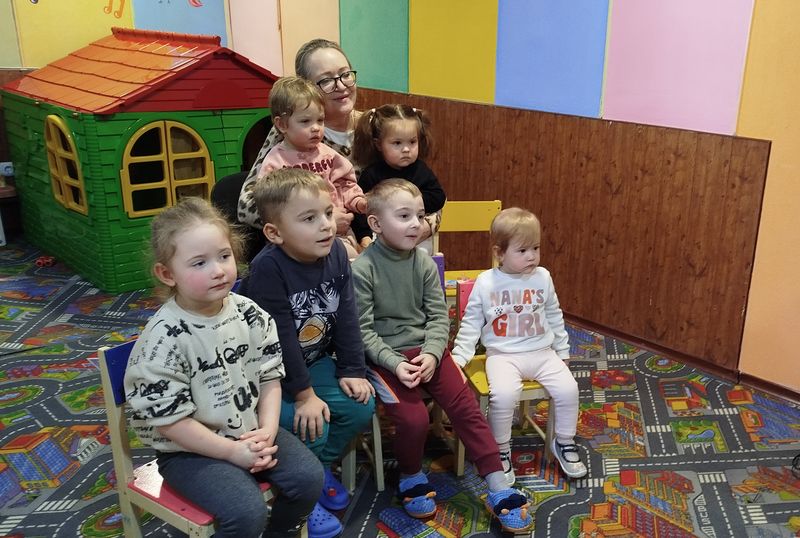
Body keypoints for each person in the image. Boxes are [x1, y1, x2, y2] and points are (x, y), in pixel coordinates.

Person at [123, 197, 329, 538]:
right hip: (188, 451)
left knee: (309, 479)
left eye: (224, 256)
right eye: (199, 263)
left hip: (250, 430)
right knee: (246, 512)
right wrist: (232, 452)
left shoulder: (250, 313)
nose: (218, 270)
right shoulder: (163, 340)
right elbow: (171, 423)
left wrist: (267, 430)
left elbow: (269, 377)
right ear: (167, 274)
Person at [350, 179, 533, 533]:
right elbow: (363, 332)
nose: (416, 224)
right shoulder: (363, 270)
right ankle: (410, 475)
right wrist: (394, 363)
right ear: (375, 223)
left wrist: (434, 354)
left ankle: (498, 484)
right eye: (404, 216)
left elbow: (438, 317)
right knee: (414, 419)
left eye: (420, 216)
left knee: (465, 407)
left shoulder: (422, 262)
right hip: (385, 359)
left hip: (428, 352)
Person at [239, 168, 376, 532]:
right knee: (310, 421)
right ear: (275, 233)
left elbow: (347, 314)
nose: (326, 225)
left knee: (361, 405)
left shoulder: (336, 253)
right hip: (270, 375)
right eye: (309, 218)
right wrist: (304, 396)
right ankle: (306, 493)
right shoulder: (268, 269)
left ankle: (319, 469)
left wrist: (352, 368)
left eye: (328, 213)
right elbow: (280, 340)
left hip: (313, 360)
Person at [451, 207, 588, 481]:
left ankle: (563, 441)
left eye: (536, 248)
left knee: (569, 389)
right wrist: (459, 357)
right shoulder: (486, 282)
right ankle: (500, 450)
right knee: (503, 396)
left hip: (542, 352)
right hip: (503, 356)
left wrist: (562, 350)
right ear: (499, 253)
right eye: (522, 250)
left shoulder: (543, 277)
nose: (532, 256)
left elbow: (553, 314)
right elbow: (471, 323)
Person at [238, 39, 361, 243]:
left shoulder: (375, 125)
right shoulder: (289, 133)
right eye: (326, 80)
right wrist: (322, 220)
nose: (341, 86)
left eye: (345, 74)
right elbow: (248, 207)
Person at [257, 76, 367, 258]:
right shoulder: (275, 162)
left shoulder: (329, 155)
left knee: (350, 257)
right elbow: (270, 207)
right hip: (297, 239)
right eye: (305, 121)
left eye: (320, 120)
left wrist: (358, 201)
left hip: (338, 231)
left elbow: (345, 184)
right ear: (282, 124)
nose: (316, 128)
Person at [351, 104, 446, 251]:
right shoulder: (372, 174)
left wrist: (408, 204)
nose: (406, 149)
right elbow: (361, 211)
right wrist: (364, 236)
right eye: (397, 143)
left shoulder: (421, 170)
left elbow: (438, 197)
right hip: (380, 240)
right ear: (379, 144)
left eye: (412, 142)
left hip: (417, 239)